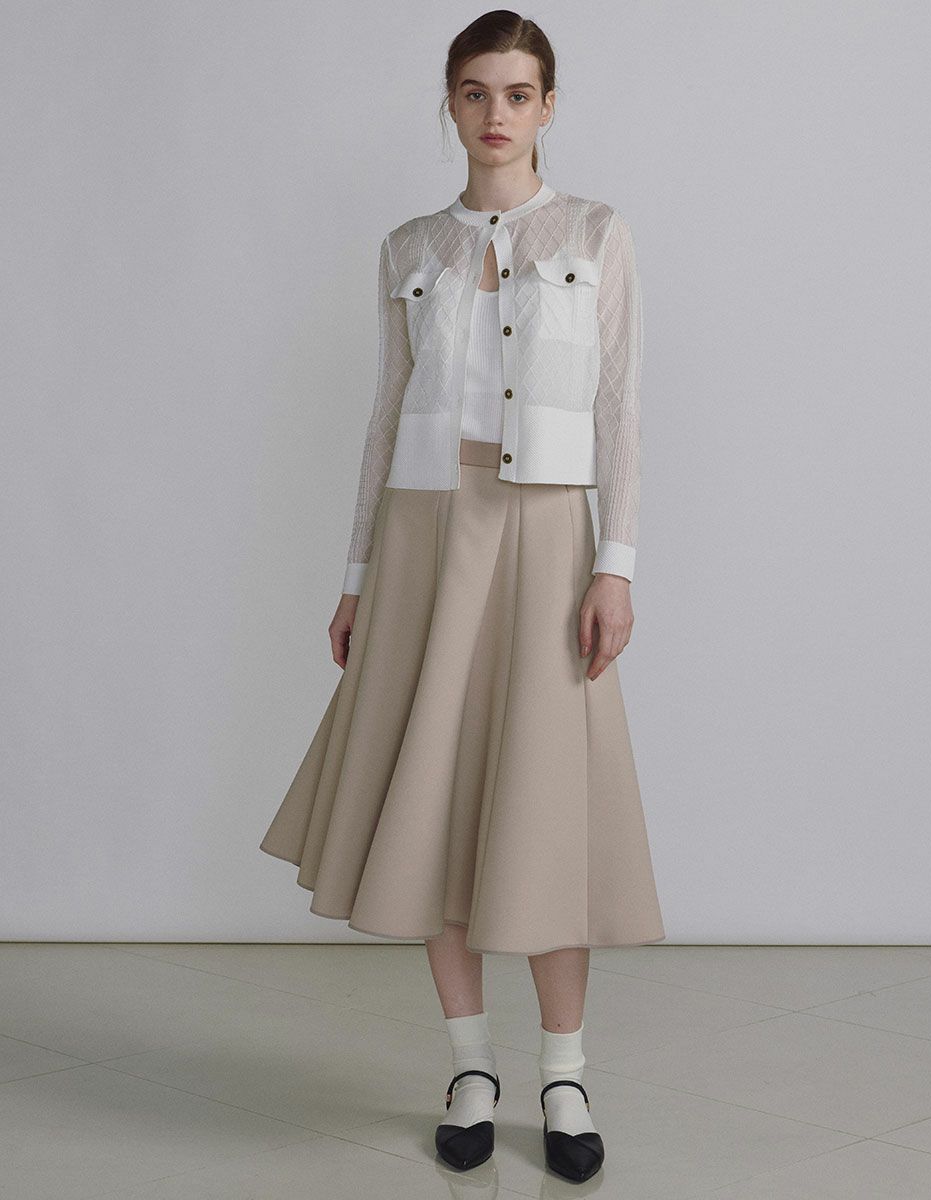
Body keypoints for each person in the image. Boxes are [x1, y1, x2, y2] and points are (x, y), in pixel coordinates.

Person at [259, 9, 666, 1184]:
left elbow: (620, 405)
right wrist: (355, 578)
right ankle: (471, 1066)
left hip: (545, 534)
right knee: (433, 798)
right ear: (448, 102)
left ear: (548, 106)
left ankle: (565, 1074)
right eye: (476, 91)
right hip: (424, 534)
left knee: (546, 799)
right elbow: (385, 414)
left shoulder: (594, 232)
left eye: (518, 93)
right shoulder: (410, 247)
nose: (497, 113)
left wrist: (615, 563)